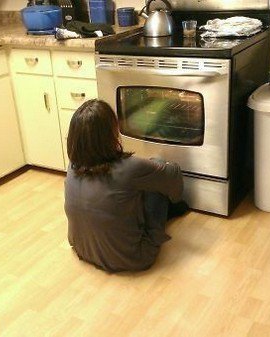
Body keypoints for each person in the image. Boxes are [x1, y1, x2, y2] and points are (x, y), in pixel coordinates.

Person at [65, 99, 188, 273]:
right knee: (157, 171)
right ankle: (169, 210)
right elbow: (175, 180)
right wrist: (158, 164)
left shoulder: (72, 166)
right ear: (111, 133)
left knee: (130, 190)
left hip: (82, 247)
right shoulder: (131, 167)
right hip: (133, 257)